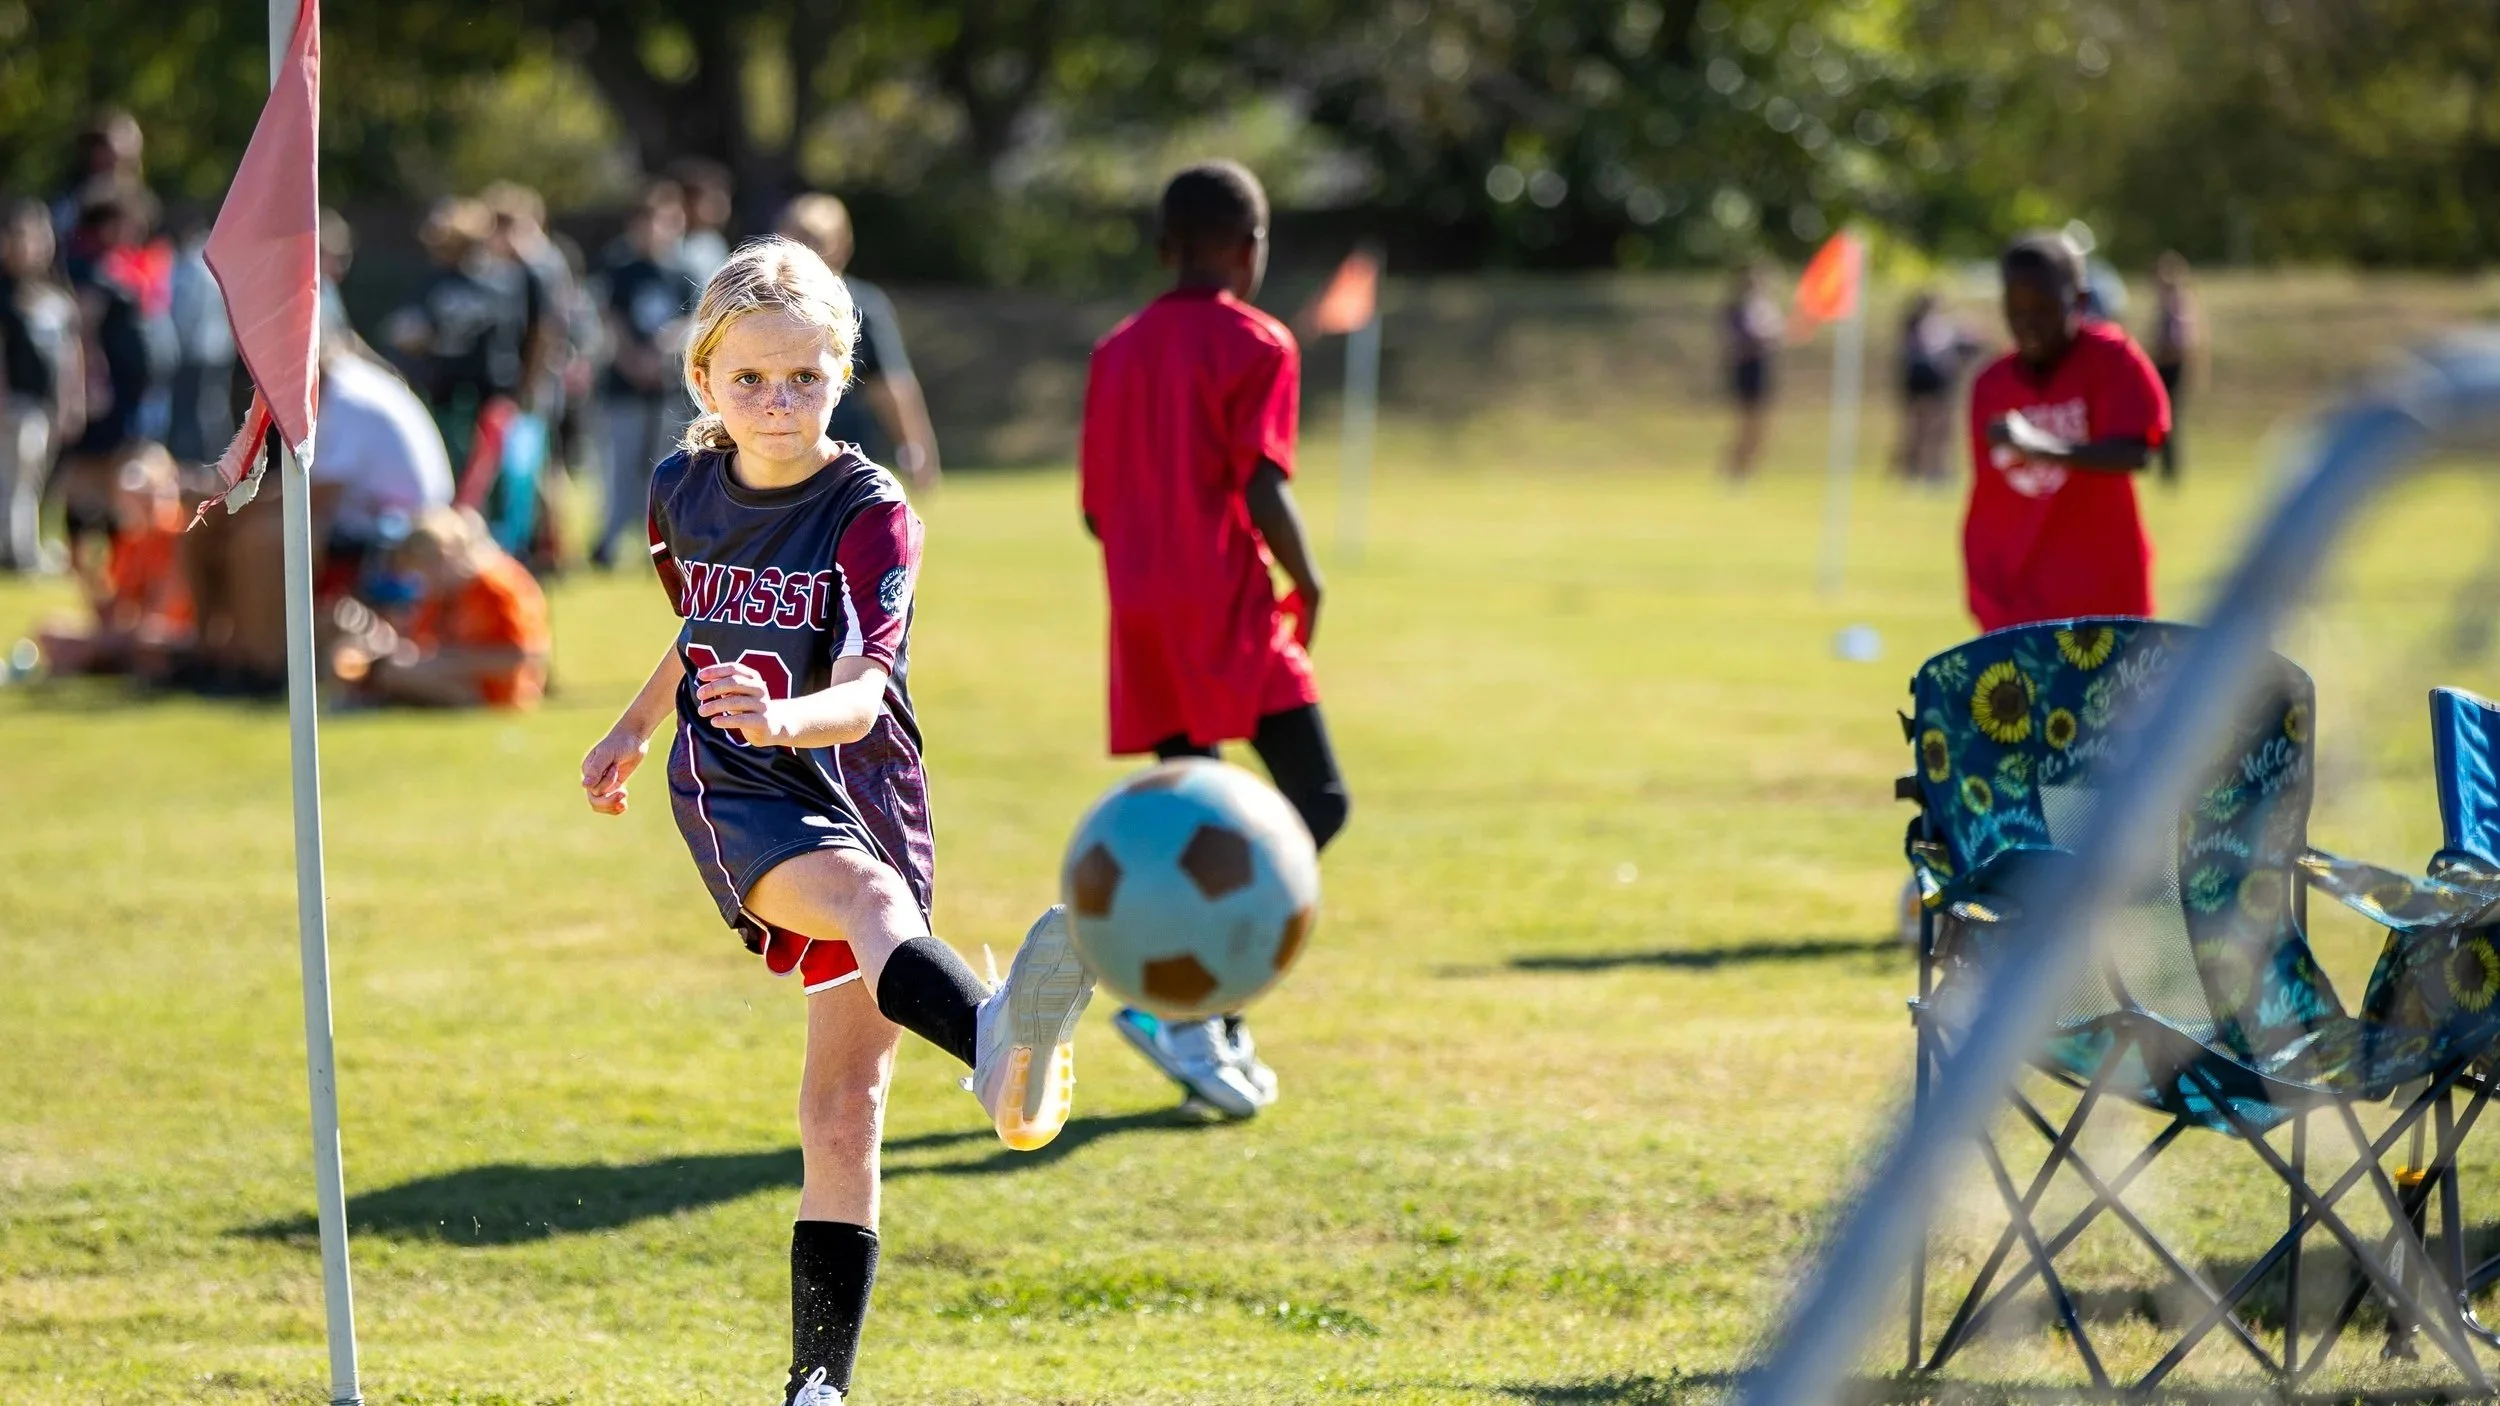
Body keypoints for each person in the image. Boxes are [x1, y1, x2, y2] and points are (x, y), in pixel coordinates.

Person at [576, 238, 1094, 1406]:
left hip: (864, 782)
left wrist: (786, 712)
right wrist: (638, 722)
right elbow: (699, 622)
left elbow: (867, 686)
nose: (776, 401)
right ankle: (1002, 1047)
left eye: (804, 377)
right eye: (750, 378)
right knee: (864, 910)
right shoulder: (678, 490)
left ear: (841, 373)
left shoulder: (870, 509)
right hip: (738, 786)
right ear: (704, 379)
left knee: (843, 1102)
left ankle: (818, 1387)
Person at [1079, 161, 1351, 1120]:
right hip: (1230, 606)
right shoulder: (1258, 342)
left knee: (1187, 827)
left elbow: (1097, 513)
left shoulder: (1115, 351)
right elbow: (1263, 484)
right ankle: (1189, 1009)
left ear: (1163, 248)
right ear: (1250, 250)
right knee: (1316, 801)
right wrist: (1307, 579)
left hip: (1145, 610)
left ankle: (1191, 1016)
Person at [1962, 231, 2171, 633]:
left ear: (2078, 300)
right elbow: (1990, 499)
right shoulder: (1990, 385)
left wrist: (2041, 446)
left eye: (2041, 308)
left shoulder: (2112, 358)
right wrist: (1983, 584)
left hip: (2106, 596)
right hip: (2019, 599)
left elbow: (2137, 452)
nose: (2027, 323)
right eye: (2015, 308)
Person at [776, 194, 940, 490]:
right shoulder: (760, 305)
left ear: (842, 244)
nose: (807, 251)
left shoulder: (861, 306)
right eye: (797, 239)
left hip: (840, 453)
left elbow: (890, 385)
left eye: (816, 240)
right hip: (771, 448)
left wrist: (915, 450)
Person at [336, 506, 548, 709]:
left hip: (500, 692)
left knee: (398, 672)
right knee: (388, 666)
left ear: (446, 554)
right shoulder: (443, 593)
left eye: (426, 569)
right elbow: (423, 643)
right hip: (457, 679)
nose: (423, 580)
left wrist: (449, 661)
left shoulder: (496, 586)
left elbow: (527, 655)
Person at [589, 181, 700, 569]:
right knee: (619, 467)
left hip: (668, 388)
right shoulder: (619, 269)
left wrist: (664, 350)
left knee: (666, 470)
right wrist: (632, 359)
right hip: (623, 387)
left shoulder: (685, 270)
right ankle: (610, 542)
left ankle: (664, 547)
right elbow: (609, 318)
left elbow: (693, 319)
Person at [33, 451, 190, 677]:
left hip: (177, 635)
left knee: (144, 643)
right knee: (51, 630)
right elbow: (112, 614)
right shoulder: (129, 542)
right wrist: (85, 575)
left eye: (144, 495)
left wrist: (101, 640)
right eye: (128, 497)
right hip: (134, 635)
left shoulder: (179, 537)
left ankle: (95, 661)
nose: (134, 505)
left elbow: (154, 615)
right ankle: (98, 661)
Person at [310, 333, 456, 560]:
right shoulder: (354, 376)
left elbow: (317, 500)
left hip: (406, 529)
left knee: (266, 534)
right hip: (416, 516)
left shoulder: (345, 398)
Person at [1, 199, 83, 572]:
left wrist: (72, 401)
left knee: (35, 480)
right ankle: (19, 554)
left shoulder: (53, 292)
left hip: (46, 404)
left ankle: (25, 546)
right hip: (16, 403)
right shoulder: (7, 295)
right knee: (15, 481)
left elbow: (71, 353)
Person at [1893, 291, 1977, 486]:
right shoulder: (1922, 326)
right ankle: (1917, 471)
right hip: (1926, 383)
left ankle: (1933, 470)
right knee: (1923, 430)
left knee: (1936, 430)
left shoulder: (1937, 325)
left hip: (1937, 384)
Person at [1719, 262, 1782, 483]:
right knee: (1746, 424)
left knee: (1760, 427)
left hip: (1761, 368)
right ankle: (1733, 471)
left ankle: (1746, 471)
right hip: (1745, 369)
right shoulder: (1737, 309)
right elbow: (1739, 341)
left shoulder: (1765, 307)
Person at [2147, 251, 2200, 485]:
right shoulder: (2168, 303)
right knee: (2164, 419)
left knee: (2169, 419)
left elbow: (2180, 342)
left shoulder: (2178, 304)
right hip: (2164, 366)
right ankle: (2166, 469)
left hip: (2171, 367)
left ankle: (2170, 471)